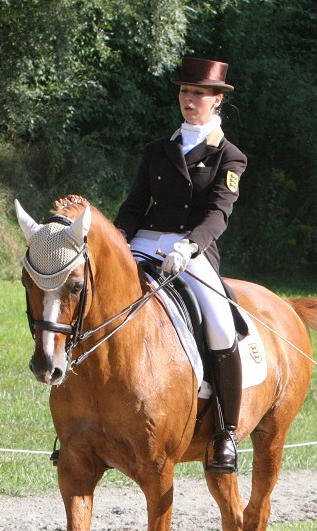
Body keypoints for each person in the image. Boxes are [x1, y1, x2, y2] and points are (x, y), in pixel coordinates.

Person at [113, 56, 248, 474]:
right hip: (143, 243)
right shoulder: (158, 150)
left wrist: (190, 247)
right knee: (94, 304)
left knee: (222, 325)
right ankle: (76, 425)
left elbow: (218, 214)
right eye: (185, 92)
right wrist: (118, 244)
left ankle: (224, 431)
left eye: (199, 94)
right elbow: (135, 205)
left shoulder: (230, 156)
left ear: (217, 101)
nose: (190, 100)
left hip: (191, 252)